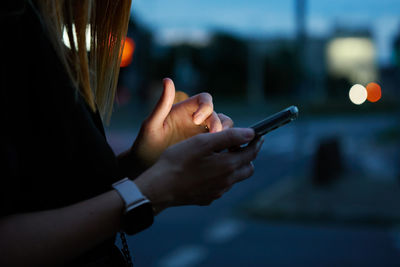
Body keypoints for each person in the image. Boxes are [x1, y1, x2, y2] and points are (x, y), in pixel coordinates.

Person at [0, 0, 264, 266]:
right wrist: (155, 191)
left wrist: (146, 161)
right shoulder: (14, 23)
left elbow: (60, 192)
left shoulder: (46, 35)